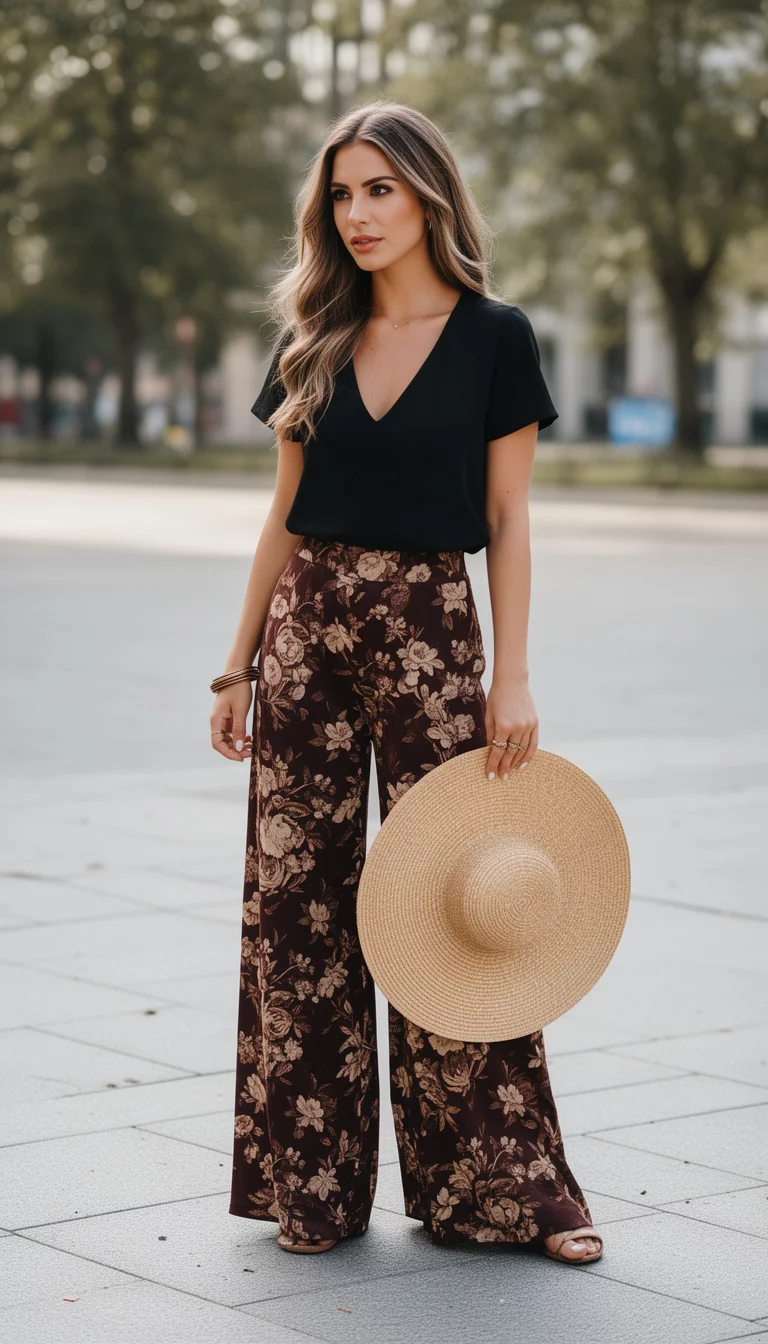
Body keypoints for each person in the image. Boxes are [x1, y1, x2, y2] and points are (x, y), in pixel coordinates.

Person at [210, 99, 603, 1264]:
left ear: (431, 194)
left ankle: (502, 1192)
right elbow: (281, 517)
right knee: (299, 911)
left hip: (435, 629)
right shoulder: (312, 342)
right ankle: (312, 1188)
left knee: (452, 902)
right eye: (341, 193)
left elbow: (509, 519)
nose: (359, 213)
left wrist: (513, 674)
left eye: (380, 188)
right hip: (306, 628)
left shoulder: (496, 336)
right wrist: (236, 667)